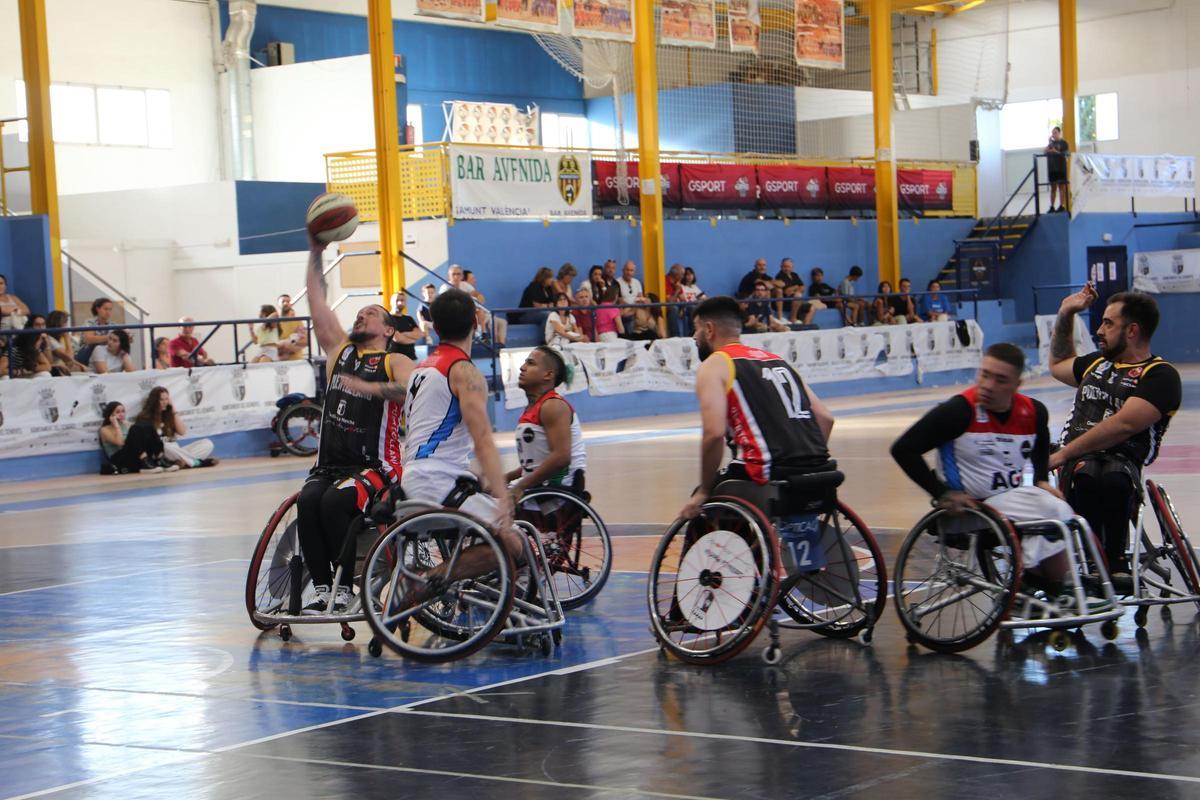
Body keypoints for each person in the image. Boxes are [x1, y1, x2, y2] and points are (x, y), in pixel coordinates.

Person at [890, 343, 1076, 599]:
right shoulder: (958, 411)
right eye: (984, 375)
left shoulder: (1033, 412)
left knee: (1057, 512)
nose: (988, 385)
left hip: (1008, 503)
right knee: (1056, 512)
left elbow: (1041, 440)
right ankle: (1044, 584)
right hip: (971, 509)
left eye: (1000, 380)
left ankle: (1053, 589)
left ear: (1016, 385)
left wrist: (1042, 479)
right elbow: (903, 449)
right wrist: (942, 493)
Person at [295, 235, 417, 614]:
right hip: (329, 465)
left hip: (375, 466)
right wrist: (316, 252)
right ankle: (319, 587)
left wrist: (371, 388)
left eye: (371, 312)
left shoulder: (392, 361)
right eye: (359, 312)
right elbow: (316, 303)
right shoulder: (340, 353)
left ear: (388, 330)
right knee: (307, 501)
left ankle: (344, 588)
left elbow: (415, 388)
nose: (362, 315)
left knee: (334, 503)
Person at [392, 288, 524, 598]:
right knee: (512, 543)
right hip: (438, 483)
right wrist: (502, 493)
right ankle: (426, 581)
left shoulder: (419, 371)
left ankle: (441, 580)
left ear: (435, 328)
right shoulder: (464, 371)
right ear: (477, 323)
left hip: (415, 478)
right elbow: (482, 440)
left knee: (487, 519)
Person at [1048, 287, 1182, 589]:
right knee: (1087, 474)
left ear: (1132, 330)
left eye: (1108, 323)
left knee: (1112, 477)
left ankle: (1115, 559)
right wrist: (1066, 313)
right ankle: (1095, 561)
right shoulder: (1096, 364)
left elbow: (1123, 425)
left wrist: (1063, 453)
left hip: (1122, 460)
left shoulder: (1160, 375)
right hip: (1079, 461)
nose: (1099, 329)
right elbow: (1058, 364)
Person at [679, 296, 834, 520]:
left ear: (709, 329)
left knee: (704, 504)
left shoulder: (715, 364)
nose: (694, 336)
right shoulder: (776, 360)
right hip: (819, 469)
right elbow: (825, 418)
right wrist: (804, 462)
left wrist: (704, 490)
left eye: (696, 329)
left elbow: (714, 434)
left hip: (766, 471)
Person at [506, 346, 587, 497]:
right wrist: (504, 478)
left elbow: (561, 458)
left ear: (548, 375)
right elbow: (534, 465)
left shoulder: (553, 406)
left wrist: (520, 486)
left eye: (530, 363)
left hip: (557, 496)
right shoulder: (533, 408)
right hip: (538, 489)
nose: (522, 368)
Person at [135, 386, 217, 469]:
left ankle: (180, 463)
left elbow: (182, 432)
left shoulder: (169, 414)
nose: (164, 402)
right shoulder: (145, 417)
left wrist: (174, 411)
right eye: (161, 400)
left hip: (176, 451)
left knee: (207, 443)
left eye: (166, 399)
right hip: (161, 452)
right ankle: (195, 462)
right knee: (166, 446)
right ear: (154, 401)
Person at [98, 401, 171, 474]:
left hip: (134, 455)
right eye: (118, 412)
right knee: (136, 428)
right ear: (110, 414)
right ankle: (144, 462)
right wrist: (116, 425)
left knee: (148, 426)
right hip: (119, 459)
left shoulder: (127, 424)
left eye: (123, 411)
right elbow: (120, 442)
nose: (121, 414)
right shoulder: (104, 429)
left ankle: (160, 458)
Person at [75, 297, 115, 366]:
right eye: (105, 309)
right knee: (96, 345)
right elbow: (89, 339)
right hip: (86, 355)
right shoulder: (89, 322)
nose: (108, 312)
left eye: (110, 309)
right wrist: (110, 337)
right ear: (97, 309)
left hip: (105, 354)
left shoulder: (113, 325)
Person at [387, 291, 424, 360]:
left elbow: (420, 334)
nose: (400, 303)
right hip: (395, 359)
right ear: (391, 302)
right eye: (397, 300)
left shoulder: (409, 318)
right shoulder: (388, 318)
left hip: (411, 357)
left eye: (402, 300)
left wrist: (405, 334)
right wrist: (413, 339)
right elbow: (398, 338)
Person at [776, 259, 813, 324]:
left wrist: (795, 289)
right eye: (785, 266)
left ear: (792, 268)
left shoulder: (794, 275)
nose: (786, 269)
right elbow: (787, 292)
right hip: (786, 302)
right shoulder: (780, 276)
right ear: (781, 267)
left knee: (814, 306)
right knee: (798, 295)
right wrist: (796, 287)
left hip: (797, 302)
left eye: (788, 267)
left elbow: (803, 287)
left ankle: (806, 325)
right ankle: (793, 318)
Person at [276, 294, 309, 361]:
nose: (285, 303)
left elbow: (305, 342)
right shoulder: (273, 322)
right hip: (278, 363)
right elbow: (270, 345)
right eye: (283, 301)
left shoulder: (297, 321)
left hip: (297, 361)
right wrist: (293, 346)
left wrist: (290, 343)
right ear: (277, 305)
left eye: (288, 302)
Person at [1045, 126, 1070, 213]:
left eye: (1055, 133)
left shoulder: (1064, 143)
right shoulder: (1051, 144)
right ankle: (1052, 206)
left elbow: (1066, 154)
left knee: (1061, 187)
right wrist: (1048, 146)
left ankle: (1061, 206)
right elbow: (1044, 151)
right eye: (1052, 133)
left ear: (1060, 133)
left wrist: (1056, 152)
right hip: (1052, 169)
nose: (1054, 135)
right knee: (1053, 188)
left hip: (1061, 169)